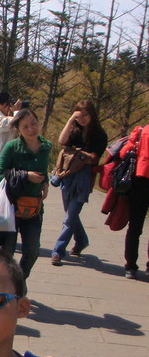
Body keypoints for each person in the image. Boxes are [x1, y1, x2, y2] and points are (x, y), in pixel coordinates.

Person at [50, 99, 108, 265]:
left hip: (84, 177)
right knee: (70, 213)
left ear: (92, 115)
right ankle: (81, 240)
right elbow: (62, 141)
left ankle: (58, 251)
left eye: (85, 115)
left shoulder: (99, 134)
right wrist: (70, 120)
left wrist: (77, 154)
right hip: (67, 175)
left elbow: (94, 158)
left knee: (69, 217)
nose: (81, 119)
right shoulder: (74, 129)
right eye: (78, 115)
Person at [0, 108, 50, 279]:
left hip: (34, 207)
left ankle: (19, 281)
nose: (31, 129)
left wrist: (45, 182)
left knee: (32, 250)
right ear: (18, 129)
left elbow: (43, 170)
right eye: (25, 126)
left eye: (34, 123)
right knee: (7, 252)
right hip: (11, 206)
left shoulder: (46, 146)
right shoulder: (12, 147)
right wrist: (26, 176)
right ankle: (6, 283)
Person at [118, 127, 149, 279]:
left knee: (135, 227)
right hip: (141, 182)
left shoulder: (141, 130)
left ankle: (130, 266)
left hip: (140, 182)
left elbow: (124, 153)